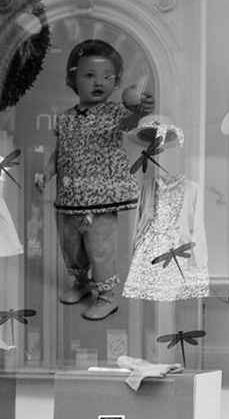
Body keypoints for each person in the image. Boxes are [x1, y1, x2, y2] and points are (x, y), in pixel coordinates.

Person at [48, 40, 152, 321]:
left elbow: (131, 122)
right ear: (73, 78)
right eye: (90, 75)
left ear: (116, 82)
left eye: (108, 77)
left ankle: (107, 296)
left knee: (100, 247)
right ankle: (81, 282)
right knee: (71, 245)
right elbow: (61, 151)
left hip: (103, 197)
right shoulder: (65, 119)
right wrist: (47, 172)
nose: (99, 82)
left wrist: (140, 109)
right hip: (69, 197)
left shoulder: (115, 112)